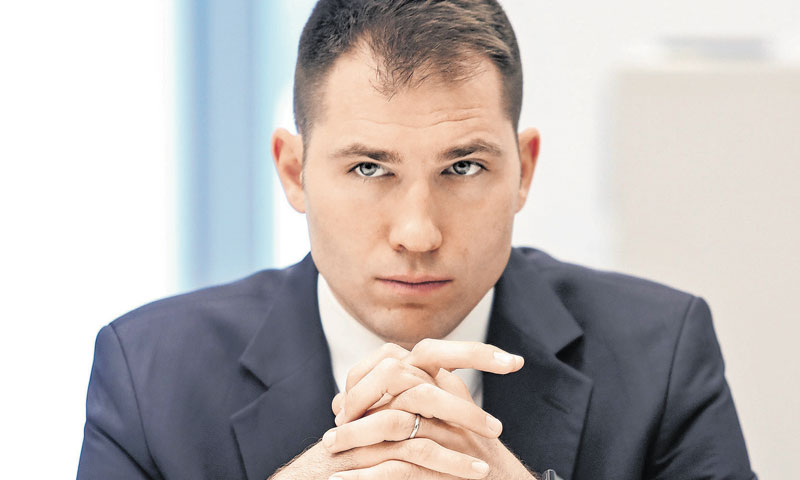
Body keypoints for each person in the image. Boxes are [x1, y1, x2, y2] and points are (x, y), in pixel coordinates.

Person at [77, 1, 757, 479]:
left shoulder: (661, 353)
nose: (417, 233)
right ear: (293, 171)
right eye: (368, 169)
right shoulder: (149, 372)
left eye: (463, 168)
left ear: (524, 171)